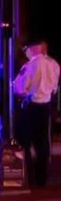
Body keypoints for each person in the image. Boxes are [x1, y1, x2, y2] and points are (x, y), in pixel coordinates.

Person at [13, 40, 60, 187]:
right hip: (46, 107)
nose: (25, 52)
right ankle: (41, 178)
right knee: (43, 144)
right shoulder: (54, 64)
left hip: (30, 107)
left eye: (26, 49)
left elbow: (19, 88)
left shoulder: (29, 65)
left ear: (33, 49)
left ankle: (30, 177)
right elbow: (54, 88)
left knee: (24, 141)